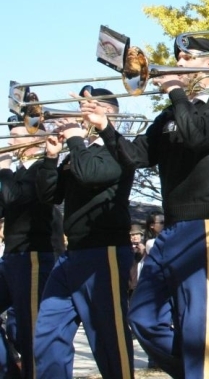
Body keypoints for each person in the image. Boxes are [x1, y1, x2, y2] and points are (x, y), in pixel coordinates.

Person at [85, 36, 209, 378]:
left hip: (204, 225)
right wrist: (105, 127)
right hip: (171, 227)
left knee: (199, 324)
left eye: (187, 57)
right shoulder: (170, 113)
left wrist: (175, 92)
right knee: (142, 315)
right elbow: (135, 157)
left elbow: (197, 136)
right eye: (178, 57)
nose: (179, 62)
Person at [35, 88, 135, 379]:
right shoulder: (80, 152)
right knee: (48, 334)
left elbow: (92, 175)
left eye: (88, 107)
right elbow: (49, 195)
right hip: (73, 253)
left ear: (107, 112)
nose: (80, 113)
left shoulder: (118, 149)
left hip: (105, 250)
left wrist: (76, 139)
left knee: (108, 339)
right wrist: (51, 159)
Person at [0, 124, 55, 378]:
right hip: (11, 254)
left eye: (15, 137)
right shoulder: (15, 172)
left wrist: (4, 168)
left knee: (30, 327)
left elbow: (14, 197)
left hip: (31, 255)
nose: (9, 141)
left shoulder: (42, 169)